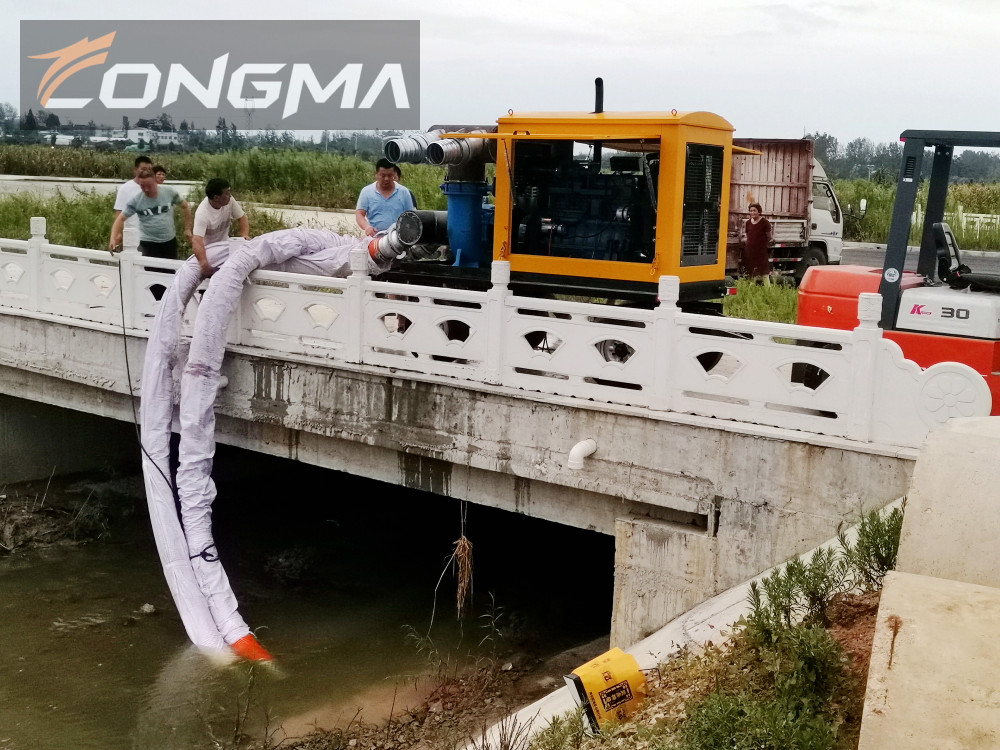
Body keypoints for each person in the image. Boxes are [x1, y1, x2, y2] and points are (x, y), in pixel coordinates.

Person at [108, 165, 192, 258]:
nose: (146, 189)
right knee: (150, 271)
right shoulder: (136, 200)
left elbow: (185, 207)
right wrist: (113, 238)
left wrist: (187, 229)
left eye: (149, 186)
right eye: (142, 186)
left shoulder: (169, 192)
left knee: (169, 270)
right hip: (148, 243)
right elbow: (120, 219)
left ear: (155, 182)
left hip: (169, 241)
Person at [191, 178, 250, 276]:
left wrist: (244, 235)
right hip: (209, 253)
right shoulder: (202, 213)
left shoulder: (230, 201)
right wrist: (204, 263)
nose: (230, 195)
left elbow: (242, 217)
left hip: (225, 249)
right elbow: (196, 240)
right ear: (216, 198)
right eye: (227, 193)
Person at [355, 157, 415, 236]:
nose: (386, 179)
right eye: (383, 175)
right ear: (376, 174)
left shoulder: (404, 192)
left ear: (394, 174)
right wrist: (367, 227)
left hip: (397, 237)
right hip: (375, 238)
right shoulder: (366, 191)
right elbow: (359, 214)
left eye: (390, 175)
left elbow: (410, 215)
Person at [113, 155, 153, 232]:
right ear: (135, 170)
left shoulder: (154, 188)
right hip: (131, 232)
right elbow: (119, 212)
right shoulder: (125, 188)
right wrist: (116, 234)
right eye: (143, 169)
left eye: (149, 169)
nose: (147, 172)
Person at [741, 202, 773, 279]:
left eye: (754, 210)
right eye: (751, 211)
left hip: (760, 251)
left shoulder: (765, 223)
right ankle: (751, 289)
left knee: (764, 272)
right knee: (751, 272)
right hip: (750, 251)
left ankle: (768, 289)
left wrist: (761, 245)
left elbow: (769, 237)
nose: (752, 212)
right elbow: (747, 236)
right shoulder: (748, 223)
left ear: (759, 212)